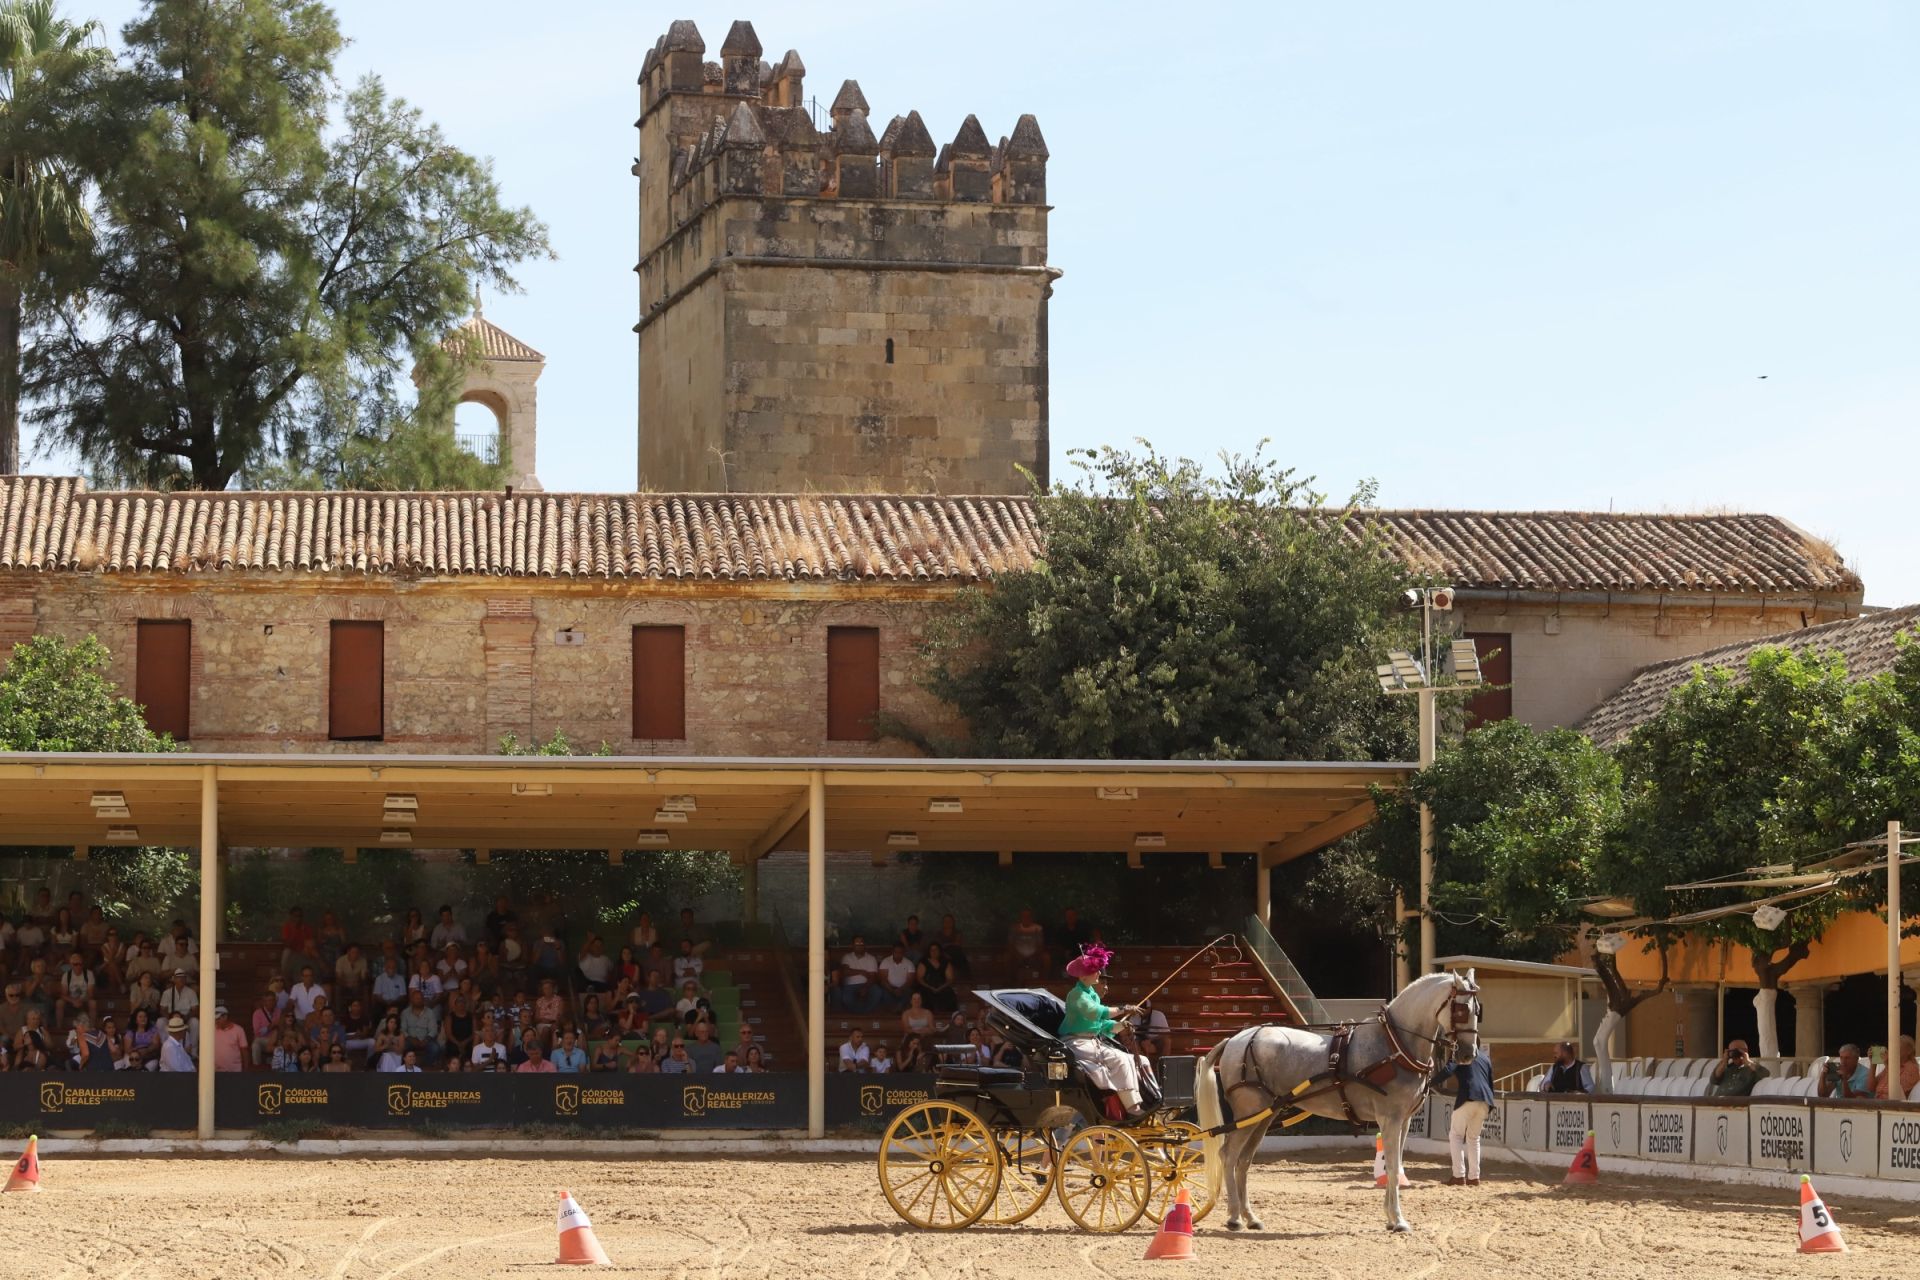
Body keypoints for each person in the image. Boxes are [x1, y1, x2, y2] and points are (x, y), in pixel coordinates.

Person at [1059, 945, 1148, 1116]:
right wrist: (1123, 1008)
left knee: (1135, 1059)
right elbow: (1095, 1012)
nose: (1099, 973)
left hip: (1092, 1041)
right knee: (1120, 1059)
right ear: (1084, 976)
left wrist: (1123, 1025)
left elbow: (1103, 1026)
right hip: (1075, 1043)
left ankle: (1143, 1100)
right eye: (1096, 971)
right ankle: (1132, 1107)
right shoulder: (1076, 995)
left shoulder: (1092, 994)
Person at [1434, 1044, 1494, 1186]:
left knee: (1456, 1136)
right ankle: (1474, 1177)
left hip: (1468, 1097)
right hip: (1485, 1100)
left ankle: (1458, 1175)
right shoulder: (1485, 1058)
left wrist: (1429, 1082)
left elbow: (1448, 1070)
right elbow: (1490, 1083)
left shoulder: (1460, 1053)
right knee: (1474, 1138)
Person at [832, 936, 882, 1013]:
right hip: (850, 986)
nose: (859, 945)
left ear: (865, 945)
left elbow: (873, 977)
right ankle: (859, 1012)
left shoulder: (871, 958)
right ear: (852, 945)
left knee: (877, 992)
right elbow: (845, 971)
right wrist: (862, 972)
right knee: (846, 998)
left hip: (867, 984)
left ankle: (863, 1012)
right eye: (857, 943)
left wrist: (865, 987)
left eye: (861, 943)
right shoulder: (847, 957)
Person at [914, 943, 957, 1015]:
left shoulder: (945, 962)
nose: (934, 952)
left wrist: (940, 988)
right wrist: (931, 988)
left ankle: (947, 1016)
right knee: (925, 994)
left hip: (942, 987)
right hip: (927, 987)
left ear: (940, 951)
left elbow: (950, 979)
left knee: (949, 993)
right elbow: (919, 979)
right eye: (932, 950)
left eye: (936, 950)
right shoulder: (924, 962)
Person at [1875, 1035, 1920, 1101]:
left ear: (1909, 1051)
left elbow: (1896, 1091)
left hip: (1893, 1105)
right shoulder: (1892, 1066)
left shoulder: (1912, 1069)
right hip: (1879, 1103)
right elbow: (1871, 1087)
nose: (1892, 1050)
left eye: (1897, 1047)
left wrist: (1887, 1064)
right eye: (1892, 1047)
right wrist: (1873, 1065)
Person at [209, 1004, 248, 1073]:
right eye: (214, 1019)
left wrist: (246, 1069)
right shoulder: (211, 1030)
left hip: (235, 1071)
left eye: (218, 1019)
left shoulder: (238, 1029)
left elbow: (244, 1050)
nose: (216, 1021)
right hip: (216, 1071)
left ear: (225, 1017)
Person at [877, 942, 916, 1011]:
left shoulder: (909, 963)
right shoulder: (885, 961)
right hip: (889, 988)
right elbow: (883, 980)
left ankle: (898, 1008)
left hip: (904, 988)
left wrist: (901, 989)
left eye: (900, 952)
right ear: (892, 952)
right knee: (884, 994)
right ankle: (896, 1009)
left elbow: (910, 981)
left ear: (904, 953)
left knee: (909, 993)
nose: (898, 954)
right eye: (896, 952)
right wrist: (892, 990)